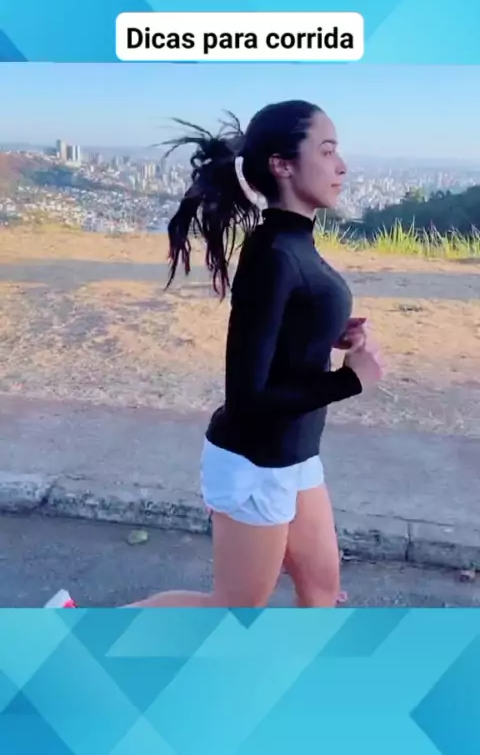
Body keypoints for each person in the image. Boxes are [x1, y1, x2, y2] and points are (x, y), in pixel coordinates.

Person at [46, 99, 383, 611]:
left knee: (320, 589)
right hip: (255, 461)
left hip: (296, 455)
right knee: (231, 607)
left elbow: (286, 327)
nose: (342, 165)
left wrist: (322, 334)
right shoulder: (273, 254)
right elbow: (247, 397)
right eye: (327, 150)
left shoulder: (295, 242)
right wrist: (349, 381)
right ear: (282, 165)